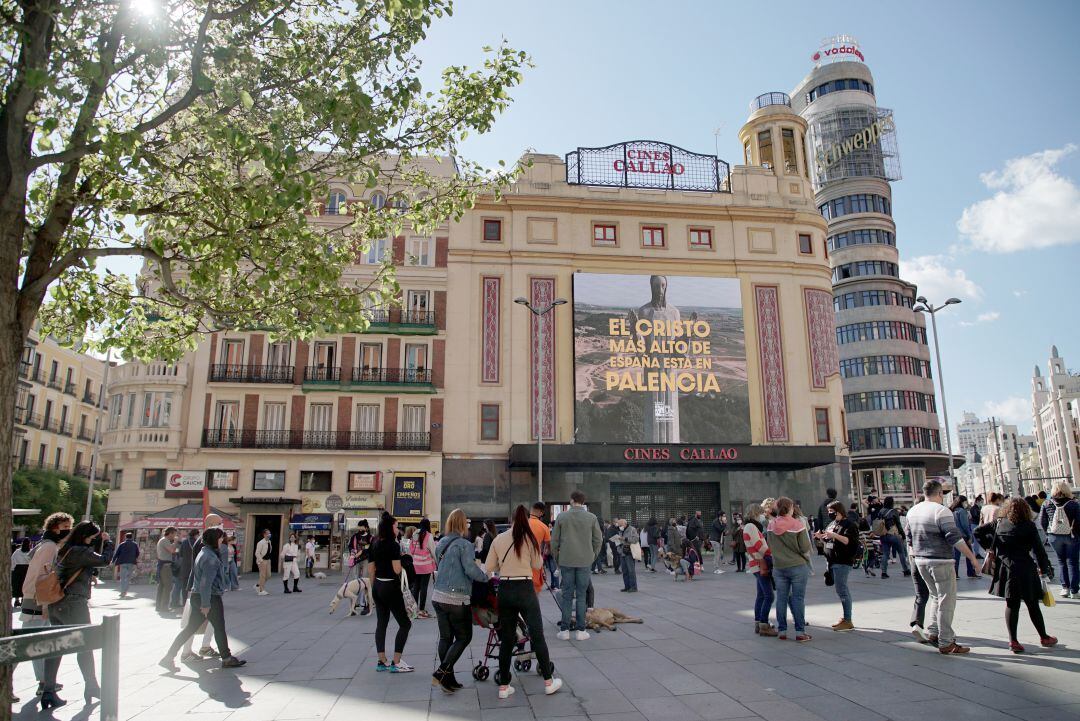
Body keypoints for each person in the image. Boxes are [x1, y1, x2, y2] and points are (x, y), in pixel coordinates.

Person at [485, 505, 563, 700]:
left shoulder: (499, 539)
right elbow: (537, 564)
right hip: (525, 589)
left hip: (505, 589)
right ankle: (548, 681)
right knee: (537, 634)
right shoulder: (529, 539)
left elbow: (489, 566)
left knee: (507, 638)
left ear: (511, 521)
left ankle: (504, 686)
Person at [40, 520, 111, 709]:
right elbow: (105, 560)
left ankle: (48, 691)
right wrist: (108, 543)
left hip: (58, 602)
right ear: (86, 536)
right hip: (74, 603)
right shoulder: (81, 551)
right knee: (85, 645)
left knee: (57, 647)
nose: (94, 540)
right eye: (93, 537)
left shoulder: (66, 549)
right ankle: (92, 686)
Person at [907, 479, 981, 654]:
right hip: (941, 560)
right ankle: (946, 641)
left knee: (935, 596)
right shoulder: (942, 511)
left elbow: (909, 538)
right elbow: (954, 537)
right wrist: (972, 557)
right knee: (947, 600)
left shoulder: (912, 511)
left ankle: (933, 631)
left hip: (920, 560)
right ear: (939, 493)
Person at [975, 497, 1057, 653]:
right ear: (1025, 510)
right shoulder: (1029, 526)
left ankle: (1013, 641)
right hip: (1025, 567)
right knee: (1032, 604)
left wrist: (989, 546)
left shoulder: (999, 523)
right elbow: (1038, 550)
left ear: (1006, 509)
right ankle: (1044, 637)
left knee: (1012, 605)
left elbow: (977, 531)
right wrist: (1044, 569)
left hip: (1006, 568)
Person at [160, 528, 247, 671]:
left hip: (198, 595)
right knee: (219, 627)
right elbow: (206, 583)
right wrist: (206, 604)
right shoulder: (210, 558)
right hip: (209, 597)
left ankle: (168, 657)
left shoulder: (204, 552)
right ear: (214, 539)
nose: (222, 540)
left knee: (190, 628)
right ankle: (226, 658)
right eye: (220, 538)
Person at [431, 509, 489, 693]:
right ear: (463, 524)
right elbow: (471, 570)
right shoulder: (465, 544)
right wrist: (486, 577)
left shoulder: (441, 542)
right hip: (456, 599)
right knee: (464, 637)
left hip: (438, 596)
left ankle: (448, 679)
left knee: (446, 638)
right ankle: (442, 672)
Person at [19, 512, 74, 698]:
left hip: (34, 596)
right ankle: (41, 681)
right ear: (54, 527)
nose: (67, 531)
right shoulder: (50, 547)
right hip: (37, 597)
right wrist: (43, 602)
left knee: (33, 642)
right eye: (64, 527)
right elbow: (44, 576)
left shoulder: (44, 544)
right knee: (24, 644)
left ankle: (44, 681)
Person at [551, 490, 603, 640]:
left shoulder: (562, 517)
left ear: (572, 500)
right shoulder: (591, 517)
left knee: (567, 595)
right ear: (583, 501)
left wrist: (558, 558)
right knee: (582, 596)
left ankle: (565, 630)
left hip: (566, 561)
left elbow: (554, 542)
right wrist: (592, 556)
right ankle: (581, 631)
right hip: (585, 561)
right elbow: (598, 540)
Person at [369, 512, 414, 672]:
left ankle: (382, 661)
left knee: (382, 623)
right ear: (390, 528)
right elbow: (396, 569)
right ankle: (396, 661)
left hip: (378, 587)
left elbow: (371, 569)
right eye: (396, 526)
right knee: (405, 623)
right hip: (390, 587)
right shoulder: (393, 545)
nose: (398, 529)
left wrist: (373, 590)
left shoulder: (374, 543)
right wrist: (405, 560)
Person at [767, 497, 813, 642]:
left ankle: (782, 631)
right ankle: (800, 631)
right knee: (798, 598)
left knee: (781, 598)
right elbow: (805, 547)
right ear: (790, 508)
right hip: (797, 566)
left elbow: (769, 545)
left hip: (779, 567)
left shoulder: (770, 526)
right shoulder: (797, 524)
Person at [817, 501, 858, 631]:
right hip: (833, 561)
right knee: (840, 589)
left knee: (842, 590)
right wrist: (821, 538)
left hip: (842, 561)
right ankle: (845, 618)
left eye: (831, 512)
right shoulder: (833, 524)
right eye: (828, 512)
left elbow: (847, 541)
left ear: (839, 512)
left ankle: (848, 619)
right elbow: (829, 540)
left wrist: (833, 535)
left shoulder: (849, 525)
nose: (829, 514)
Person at [1039, 480, 1080, 598]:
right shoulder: (1073, 503)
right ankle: (1074, 591)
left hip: (1054, 536)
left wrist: (1049, 533)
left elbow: (1042, 521)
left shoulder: (1047, 503)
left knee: (1061, 562)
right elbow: (1078, 521)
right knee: (1073, 562)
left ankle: (1065, 588)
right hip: (1071, 535)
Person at [877, 497, 911, 579]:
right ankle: (906, 570)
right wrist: (903, 535)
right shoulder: (894, 511)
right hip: (893, 534)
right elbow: (898, 525)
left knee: (885, 553)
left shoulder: (880, 511)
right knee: (901, 552)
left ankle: (884, 573)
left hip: (883, 535)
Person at [409, 518, 436, 618]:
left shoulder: (414, 534)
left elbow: (411, 549)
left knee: (416, 587)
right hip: (426, 566)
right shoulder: (429, 536)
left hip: (415, 565)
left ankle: (414, 610)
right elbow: (433, 551)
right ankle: (422, 609)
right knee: (424, 587)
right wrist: (437, 562)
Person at [950, 496, 979, 579]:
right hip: (963, 535)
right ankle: (971, 572)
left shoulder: (952, 511)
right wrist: (969, 535)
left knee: (956, 555)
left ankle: (955, 573)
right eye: (965, 502)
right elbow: (965, 525)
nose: (966, 504)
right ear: (961, 502)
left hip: (955, 535)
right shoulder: (962, 511)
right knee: (969, 554)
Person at [528, 502, 553, 593]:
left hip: (520, 562)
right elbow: (549, 545)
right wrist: (546, 552)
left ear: (531, 510)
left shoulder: (521, 525)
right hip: (535, 562)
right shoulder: (543, 527)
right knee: (535, 592)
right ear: (541, 513)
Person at [155, 527, 178, 613]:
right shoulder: (164, 540)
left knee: (162, 586)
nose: (175, 536)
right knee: (168, 586)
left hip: (163, 565)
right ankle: (164, 607)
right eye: (174, 534)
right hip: (165, 566)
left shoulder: (164, 540)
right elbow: (172, 550)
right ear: (170, 533)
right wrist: (175, 542)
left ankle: (159, 606)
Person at [174, 529, 199, 609]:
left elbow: (180, 554)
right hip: (195, 567)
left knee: (185, 586)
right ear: (196, 535)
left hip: (185, 567)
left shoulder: (184, 542)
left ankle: (185, 603)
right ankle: (194, 603)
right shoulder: (198, 542)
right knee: (195, 586)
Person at [111, 531, 140, 598]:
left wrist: (113, 561)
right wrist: (134, 557)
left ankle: (122, 592)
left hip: (123, 562)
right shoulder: (135, 544)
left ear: (125, 537)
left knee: (123, 578)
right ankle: (125, 591)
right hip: (131, 562)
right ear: (131, 537)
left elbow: (117, 553)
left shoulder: (122, 544)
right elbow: (138, 553)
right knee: (128, 578)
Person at [618, 518, 639, 592]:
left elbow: (635, 539)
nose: (619, 526)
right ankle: (627, 586)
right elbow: (620, 540)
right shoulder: (621, 530)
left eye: (620, 525)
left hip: (629, 552)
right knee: (624, 570)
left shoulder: (632, 529)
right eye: (619, 525)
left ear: (625, 524)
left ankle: (633, 587)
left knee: (631, 570)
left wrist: (625, 539)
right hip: (622, 552)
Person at [11, 537, 31, 608]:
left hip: (17, 569)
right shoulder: (31, 552)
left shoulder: (17, 552)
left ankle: (16, 600)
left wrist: (12, 569)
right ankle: (23, 599)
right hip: (27, 570)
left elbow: (12, 560)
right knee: (25, 585)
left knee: (17, 585)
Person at [254, 528, 272, 595]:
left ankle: (258, 585)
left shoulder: (269, 542)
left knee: (268, 575)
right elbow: (257, 553)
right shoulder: (260, 543)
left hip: (268, 560)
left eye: (269, 533)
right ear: (264, 534)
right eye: (268, 533)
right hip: (262, 560)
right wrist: (261, 561)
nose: (269, 535)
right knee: (263, 575)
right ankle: (261, 590)